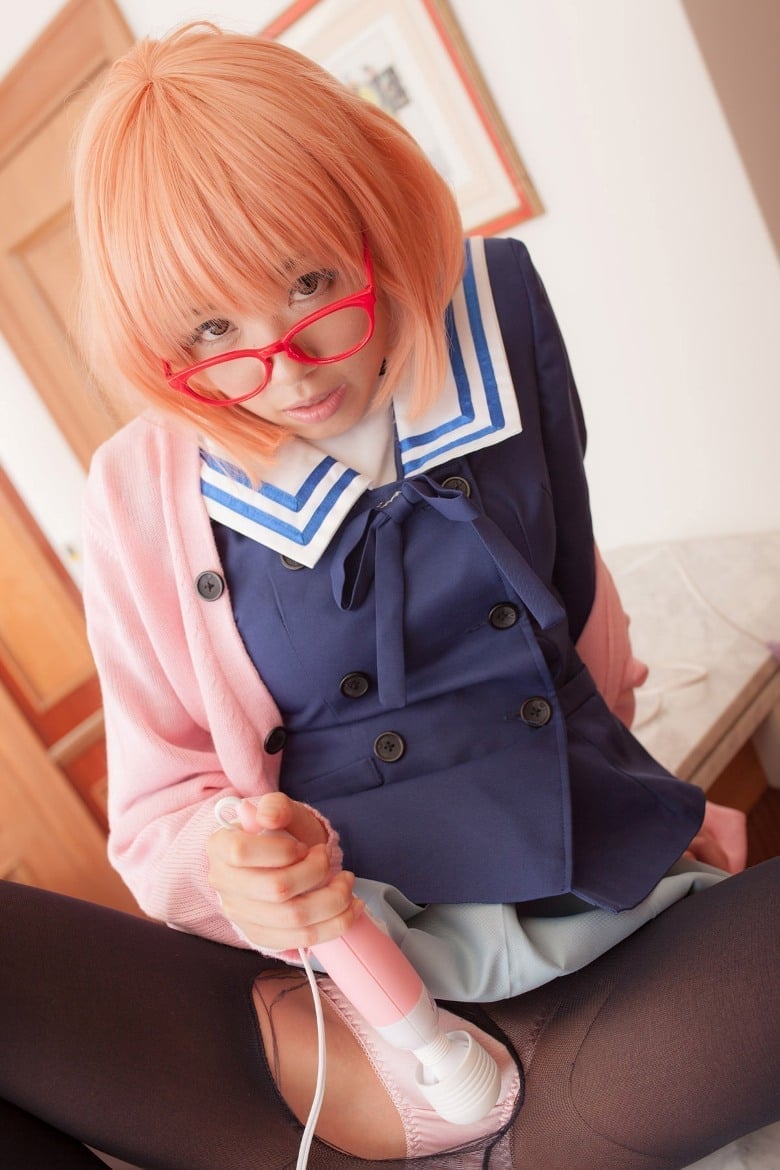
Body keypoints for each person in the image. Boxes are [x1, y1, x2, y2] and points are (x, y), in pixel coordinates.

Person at [1, 21, 777, 1170]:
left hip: (595, 891)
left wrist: (651, 799)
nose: (288, 369)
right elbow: (161, 810)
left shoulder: (495, 313)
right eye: (213, 330)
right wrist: (233, 866)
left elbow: (576, 603)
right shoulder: (145, 490)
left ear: (373, 216)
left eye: (311, 283)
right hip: (365, 964)